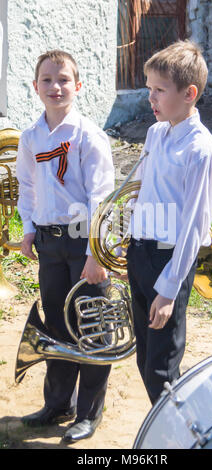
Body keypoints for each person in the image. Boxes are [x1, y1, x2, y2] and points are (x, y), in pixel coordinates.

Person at [16, 50, 114, 443]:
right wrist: (27, 229)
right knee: (56, 326)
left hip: (82, 243)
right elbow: (27, 187)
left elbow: (101, 198)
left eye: (63, 80)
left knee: (90, 325)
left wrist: (96, 253)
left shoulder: (88, 135)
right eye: (47, 80)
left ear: (78, 86)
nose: (55, 87)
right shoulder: (30, 137)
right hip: (49, 244)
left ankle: (88, 412)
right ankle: (59, 403)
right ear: (35, 86)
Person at [125, 40, 212, 405]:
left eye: (159, 90)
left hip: (168, 262)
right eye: (149, 88)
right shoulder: (156, 132)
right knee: (144, 358)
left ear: (189, 93)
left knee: (162, 368)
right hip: (140, 254)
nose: (150, 98)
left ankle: (183, 436)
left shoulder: (202, 150)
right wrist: (128, 246)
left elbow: (194, 229)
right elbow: (142, 193)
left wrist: (168, 289)